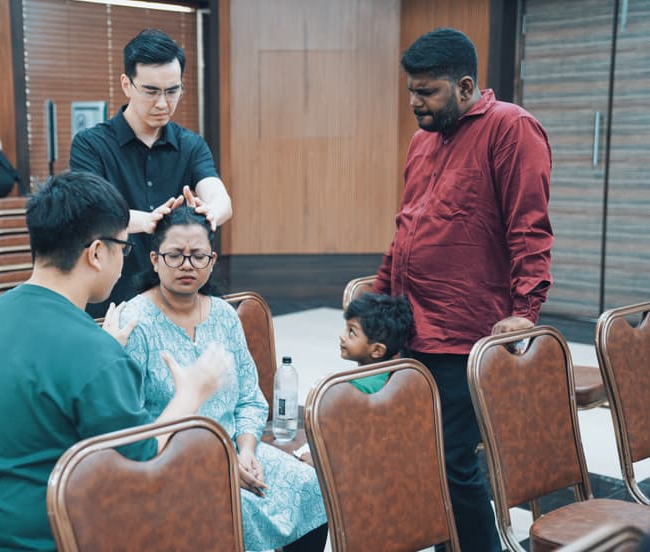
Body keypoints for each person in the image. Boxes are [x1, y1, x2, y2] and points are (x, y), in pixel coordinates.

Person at [0, 172, 228, 551]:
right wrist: (191, 392)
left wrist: (101, 352)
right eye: (123, 248)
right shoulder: (94, 353)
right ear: (97, 253)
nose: (122, 261)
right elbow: (142, 467)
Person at [371, 28, 553, 551]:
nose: (414, 103)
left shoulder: (511, 129)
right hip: (411, 327)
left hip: (462, 335)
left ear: (466, 85)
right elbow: (407, 227)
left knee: (453, 466)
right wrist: (376, 301)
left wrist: (526, 310)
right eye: (410, 91)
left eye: (426, 92)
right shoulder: (423, 139)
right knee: (415, 460)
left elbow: (530, 227)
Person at [120, 206, 328, 552]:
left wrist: (246, 452)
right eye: (175, 255)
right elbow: (132, 415)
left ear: (212, 261)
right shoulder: (136, 319)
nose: (187, 265)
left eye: (198, 256)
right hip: (171, 463)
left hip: (236, 446)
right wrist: (220, 465)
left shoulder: (224, 316)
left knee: (310, 487)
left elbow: (249, 396)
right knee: (236, 508)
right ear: (155, 260)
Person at [70, 28, 232, 312]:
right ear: (126, 84)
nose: (162, 103)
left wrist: (211, 212)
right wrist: (147, 221)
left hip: (176, 300)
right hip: (111, 299)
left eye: (172, 91)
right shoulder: (90, 144)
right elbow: (90, 213)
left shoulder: (190, 144)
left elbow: (221, 200)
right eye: (151, 91)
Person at [295, 292, 414, 466]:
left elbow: (349, 443)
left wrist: (319, 460)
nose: (342, 336)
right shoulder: (397, 377)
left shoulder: (357, 389)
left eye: (352, 332)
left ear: (377, 350)